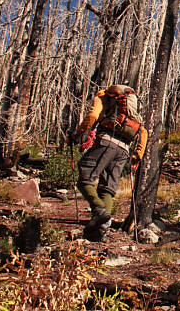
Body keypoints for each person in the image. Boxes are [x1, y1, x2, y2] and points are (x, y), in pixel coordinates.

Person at [70, 84, 148, 241]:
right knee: (107, 188)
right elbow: (143, 132)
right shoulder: (131, 111)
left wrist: (77, 134)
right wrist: (138, 155)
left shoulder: (102, 97)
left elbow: (92, 116)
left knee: (85, 175)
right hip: (124, 150)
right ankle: (101, 231)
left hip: (106, 142)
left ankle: (99, 211)